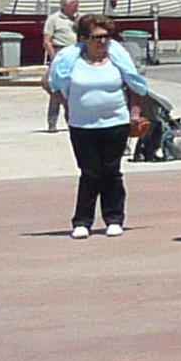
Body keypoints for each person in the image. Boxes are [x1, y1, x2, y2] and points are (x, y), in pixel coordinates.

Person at [44, 14, 150, 237]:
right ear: (84, 38)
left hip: (116, 123)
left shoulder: (118, 57)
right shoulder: (68, 59)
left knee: (112, 171)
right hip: (82, 125)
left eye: (106, 36)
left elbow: (135, 86)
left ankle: (114, 219)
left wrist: (135, 113)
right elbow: (48, 82)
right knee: (89, 173)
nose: (103, 41)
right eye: (97, 37)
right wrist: (67, 103)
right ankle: (82, 222)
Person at [42, 0, 82, 131]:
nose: (76, 8)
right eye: (73, 5)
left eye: (77, 5)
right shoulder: (54, 19)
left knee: (75, 87)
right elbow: (47, 41)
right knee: (56, 86)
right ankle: (52, 122)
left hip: (77, 52)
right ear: (65, 5)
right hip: (61, 51)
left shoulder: (78, 19)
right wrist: (54, 57)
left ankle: (73, 120)